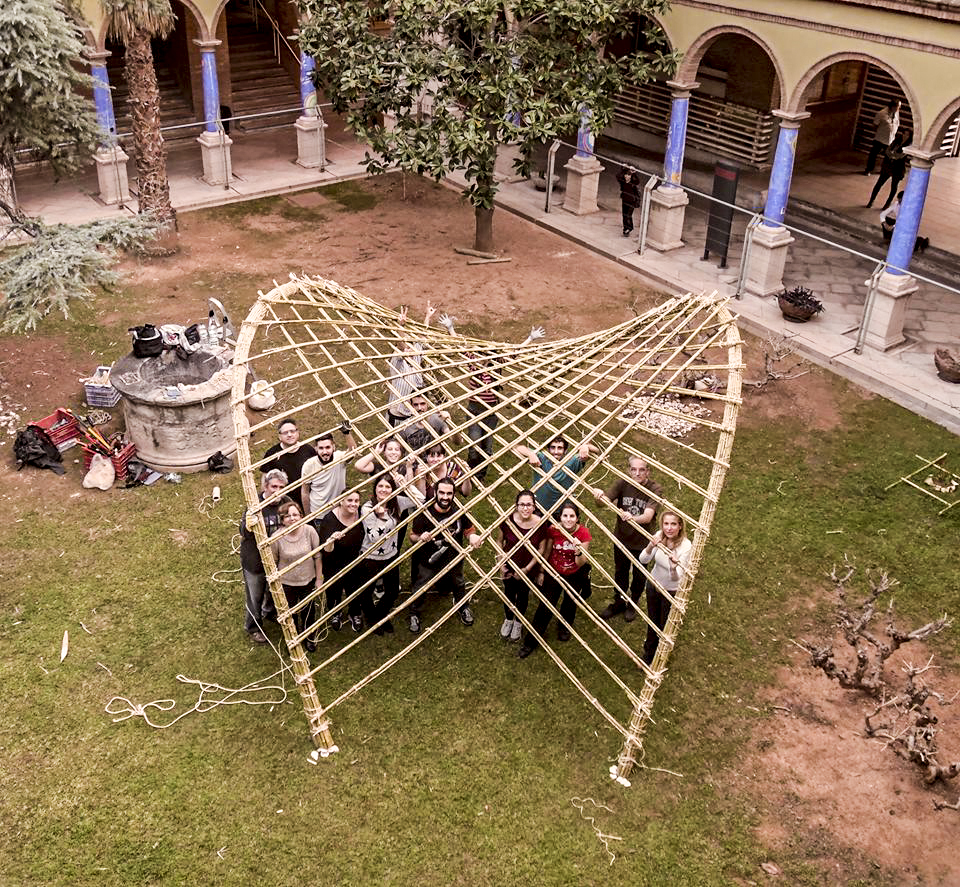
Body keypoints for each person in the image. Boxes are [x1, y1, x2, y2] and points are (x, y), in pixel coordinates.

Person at [439, 313, 545, 483]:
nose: (485, 357)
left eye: (489, 353)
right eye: (484, 353)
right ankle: (470, 474)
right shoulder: (473, 362)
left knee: (487, 447)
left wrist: (530, 339)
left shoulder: (498, 364)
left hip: (491, 412)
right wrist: (450, 328)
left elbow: (515, 352)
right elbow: (459, 346)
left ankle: (480, 476)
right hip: (474, 410)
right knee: (474, 445)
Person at [518, 502, 592, 658]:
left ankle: (564, 626)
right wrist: (542, 571)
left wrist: (578, 550)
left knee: (570, 602)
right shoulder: (554, 530)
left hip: (575, 573)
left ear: (577, 518)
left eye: (572, 516)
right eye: (565, 516)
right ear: (560, 517)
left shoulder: (583, 533)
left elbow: (580, 563)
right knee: (545, 606)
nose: (568, 519)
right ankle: (530, 642)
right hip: (554, 571)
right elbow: (547, 551)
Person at [408, 477, 481, 634]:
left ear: (454, 494)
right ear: (435, 492)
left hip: (453, 557)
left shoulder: (458, 510)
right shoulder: (424, 513)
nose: (445, 497)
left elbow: (469, 529)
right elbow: (412, 536)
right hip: (428, 560)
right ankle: (414, 613)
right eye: (441, 493)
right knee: (422, 585)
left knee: (458, 582)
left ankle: (463, 607)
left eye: (449, 493)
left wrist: (472, 536)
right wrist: (420, 538)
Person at [594, 457, 663, 622]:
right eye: (633, 469)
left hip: (643, 543)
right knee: (620, 572)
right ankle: (619, 601)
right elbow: (602, 504)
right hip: (622, 538)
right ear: (628, 470)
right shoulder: (622, 483)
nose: (637, 473)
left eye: (642, 470)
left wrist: (632, 518)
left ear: (648, 471)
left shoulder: (655, 489)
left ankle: (633, 603)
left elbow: (648, 516)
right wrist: (599, 497)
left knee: (639, 576)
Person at [358, 473, 414, 635]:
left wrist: (406, 485)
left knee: (393, 591)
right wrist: (382, 517)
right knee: (366, 592)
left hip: (390, 555)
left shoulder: (397, 503)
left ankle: (380, 615)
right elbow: (374, 537)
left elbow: (420, 499)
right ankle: (372, 619)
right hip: (370, 557)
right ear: (375, 488)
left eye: (388, 486)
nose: (383, 490)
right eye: (380, 486)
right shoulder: (367, 508)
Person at [239, 468, 290, 644]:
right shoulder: (255, 504)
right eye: (274, 487)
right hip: (255, 561)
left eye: (281, 487)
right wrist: (248, 525)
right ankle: (253, 627)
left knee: (273, 589)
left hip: (277, 559)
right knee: (255, 596)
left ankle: (269, 612)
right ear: (265, 487)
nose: (277, 491)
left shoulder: (287, 503)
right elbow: (243, 532)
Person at [638, 510, 692, 665]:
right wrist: (650, 546)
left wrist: (673, 568)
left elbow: (677, 578)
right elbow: (643, 559)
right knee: (652, 621)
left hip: (670, 591)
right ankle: (649, 654)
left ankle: (661, 654)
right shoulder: (659, 535)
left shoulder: (686, 546)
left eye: (673, 524)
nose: (669, 528)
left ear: (680, 526)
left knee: (664, 625)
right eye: (666, 524)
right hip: (653, 585)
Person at [496, 490, 549, 643]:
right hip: (509, 565)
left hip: (528, 567)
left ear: (534, 507)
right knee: (509, 592)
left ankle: (518, 622)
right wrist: (501, 563)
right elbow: (499, 541)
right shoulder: (508, 521)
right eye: (522, 505)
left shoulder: (540, 523)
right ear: (516, 506)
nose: (525, 508)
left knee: (523, 594)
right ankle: (508, 619)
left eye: (529, 505)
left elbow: (541, 549)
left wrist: (527, 569)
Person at [270, 500, 322, 652]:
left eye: (295, 515)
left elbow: (317, 556)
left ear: (301, 516)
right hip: (287, 583)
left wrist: (319, 579)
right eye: (287, 516)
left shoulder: (309, 531)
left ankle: (309, 637)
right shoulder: (276, 537)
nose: (292, 518)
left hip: (308, 580)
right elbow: (274, 562)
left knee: (308, 612)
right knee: (290, 614)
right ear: (282, 520)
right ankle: (293, 639)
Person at [316, 491, 365, 632]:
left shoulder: (361, 514)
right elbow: (326, 550)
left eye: (356, 501)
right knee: (334, 589)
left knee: (354, 588)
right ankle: (335, 613)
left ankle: (354, 613)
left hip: (354, 559)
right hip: (334, 561)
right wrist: (331, 540)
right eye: (349, 500)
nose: (353, 504)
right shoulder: (329, 520)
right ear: (341, 501)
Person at [513, 435, 599, 516]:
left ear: (565, 451)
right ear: (548, 449)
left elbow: (596, 451)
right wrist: (530, 454)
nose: (556, 452)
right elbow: (516, 447)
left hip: (562, 511)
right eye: (553, 447)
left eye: (560, 448)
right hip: (538, 507)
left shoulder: (571, 462)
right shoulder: (541, 458)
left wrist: (586, 447)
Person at [385, 301, 436, 426]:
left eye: (411, 346)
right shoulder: (398, 362)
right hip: (397, 416)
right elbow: (401, 345)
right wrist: (401, 326)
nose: (409, 349)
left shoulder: (416, 357)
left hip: (413, 415)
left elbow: (422, 338)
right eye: (407, 347)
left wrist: (427, 316)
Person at [300, 422, 357, 518]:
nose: (325, 452)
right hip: (318, 514)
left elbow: (353, 452)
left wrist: (347, 433)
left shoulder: (339, 458)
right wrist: (308, 516)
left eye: (328, 447)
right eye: (321, 448)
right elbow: (305, 492)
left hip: (339, 511)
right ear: (316, 449)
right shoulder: (309, 465)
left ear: (333, 447)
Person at [262, 419, 317, 487]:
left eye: (292, 431)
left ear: (298, 433)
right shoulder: (272, 453)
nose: (289, 435)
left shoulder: (308, 450)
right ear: (279, 436)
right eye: (285, 433)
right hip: (282, 492)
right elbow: (265, 478)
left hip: (307, 490)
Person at [867, 132, 910, 210]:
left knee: (894, 187)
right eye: (904, 133)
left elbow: (901, 155)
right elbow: (888, 150)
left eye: (907, 134)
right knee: (879, 183)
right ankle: (871, 201)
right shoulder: (896, 140)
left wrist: (893, 155)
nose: (905, 135)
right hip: (888, 165)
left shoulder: (909, 145)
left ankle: (887, 203)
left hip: (898, 167)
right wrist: (892, 155)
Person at [863, 99, 900, 175]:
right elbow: (875, 125)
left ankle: (884, 170)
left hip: (890, 139)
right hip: (880, 139)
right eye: (898, 106)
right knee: (873, 155)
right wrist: (882, 131)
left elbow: (896, 123)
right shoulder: (881, 113)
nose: (899, 108)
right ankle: (869, 169)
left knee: (888, 156)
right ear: (893, 106)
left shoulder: (896, 113)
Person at [616, 166, 641, 237]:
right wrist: (623, 169)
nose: (626, 176)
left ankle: (629, 228)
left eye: (628, 175)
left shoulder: (633, 183)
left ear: (630, 176)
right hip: (624, 200)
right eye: (626, 175)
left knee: (628, 215)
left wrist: (634, 173)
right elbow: (618, 176)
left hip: (632, 201)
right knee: (624, 215)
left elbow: (637, 181)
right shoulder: (623, 182)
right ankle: (626, 229)